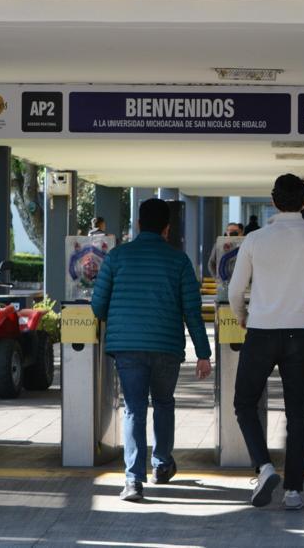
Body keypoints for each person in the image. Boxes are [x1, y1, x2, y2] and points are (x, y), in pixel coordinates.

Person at [91, 198, 212, 503]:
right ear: (167, 229)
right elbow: (192, 311)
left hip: (127, 347)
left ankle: (133, 480)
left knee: (134, 408)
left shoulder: (116, 257)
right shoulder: (179, 261)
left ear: (138, 225)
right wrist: (203, 353)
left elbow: (98, 306)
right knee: (164, 403)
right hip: (166, 346)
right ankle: (161, 464)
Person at [228, 174, 304, 511]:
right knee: (297, 414)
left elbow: (235, 289)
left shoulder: (255, 239)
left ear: (273, 201)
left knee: (244, 403)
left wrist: (242, 315)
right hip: (299, 334)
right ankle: (294, 492)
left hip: (260, 331)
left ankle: (264, 467)